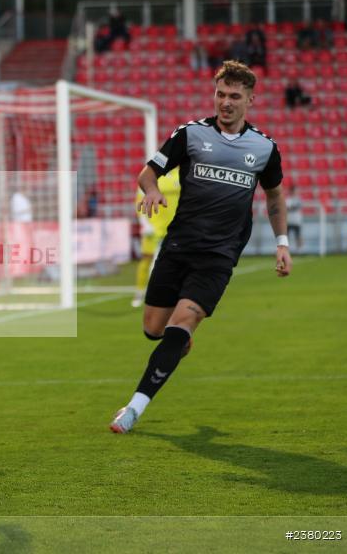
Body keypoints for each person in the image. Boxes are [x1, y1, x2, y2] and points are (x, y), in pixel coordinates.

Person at [109, 60, 292, 434]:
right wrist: (154, 189)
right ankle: (178, 342)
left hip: (219, 257)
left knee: (182, 324)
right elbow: (148, 174)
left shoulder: (264, 148)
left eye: (234, 96)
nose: (225, 102)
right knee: (153, 328)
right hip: (178, 246)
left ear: (250, 100)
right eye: (221, 94)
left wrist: (282, 243)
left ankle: (133, 409)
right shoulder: (190, 135)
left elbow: (274, 197)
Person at [131, 168, 180, 308]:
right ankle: (140, 292)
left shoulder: (181, 174)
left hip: (174, 227)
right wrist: (145, 224)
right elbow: (139, 201)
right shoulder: (150, 175)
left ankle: (170, 293)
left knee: (176, 262)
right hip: (153, 228)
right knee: (147, 259)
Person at [285, 185, 303, 253]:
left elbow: (297, 206)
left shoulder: (298, 199)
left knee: (298, 236)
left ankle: (299, 250)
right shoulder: (288, 199)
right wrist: (292, 207)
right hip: (289, 221)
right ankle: (286, 250)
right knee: (287, 237)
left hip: (296, 221)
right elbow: (286, 208)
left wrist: (291, 208)